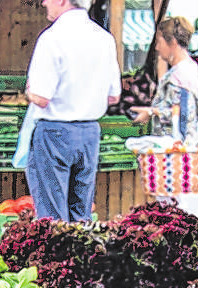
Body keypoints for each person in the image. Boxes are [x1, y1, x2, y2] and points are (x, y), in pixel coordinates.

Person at [24, 0, 121, 222]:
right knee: (81, 212)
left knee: (52, 216)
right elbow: (113, 96)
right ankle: (81, 256)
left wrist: (28, 90)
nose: (43, 2)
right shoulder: (105, 39)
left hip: (55, 132)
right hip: (89, 132)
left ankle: (56, 256)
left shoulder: (52, 37)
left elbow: (40, 97)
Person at [132, 17, 198, 140]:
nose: (157, 48)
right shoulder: (190, 69)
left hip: (177, 150)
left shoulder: (180, 75)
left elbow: (184, 114)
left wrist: (151, 112)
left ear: (172, 42)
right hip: (184, 147)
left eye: (159, 42)